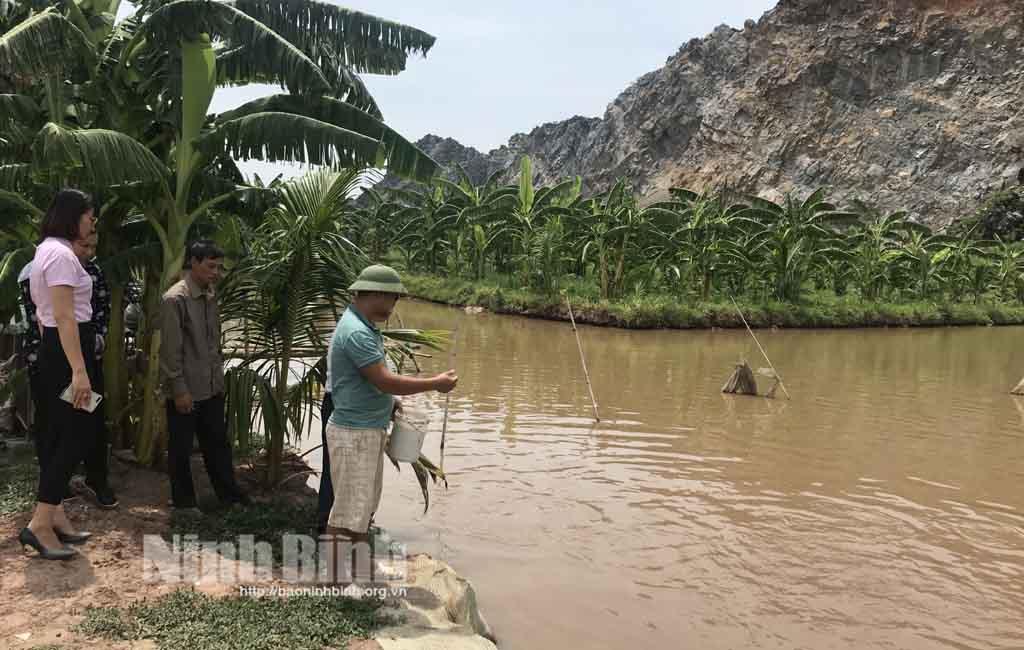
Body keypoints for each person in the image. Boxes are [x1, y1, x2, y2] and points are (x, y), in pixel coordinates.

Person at [322, 264, 457, 579]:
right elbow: (384, 380)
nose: (393, 307)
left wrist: (391, 404)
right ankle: (332, 580)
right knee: (345, 511)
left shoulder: (364, 326)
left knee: (362, 506)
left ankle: (357, 568)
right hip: (353, 433)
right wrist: (434, 383)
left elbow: (371, 384)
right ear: (377, 294)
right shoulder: (356, 332)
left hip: (367, 429)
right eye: (392, 300)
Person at [17, 189, 100, 560]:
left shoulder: (46, 251)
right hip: (69, 350)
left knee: (57, 434)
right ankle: (39, 524)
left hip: (58, 347)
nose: (92, 223)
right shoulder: (63, 255)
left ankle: (56, 518)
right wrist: (79, 370)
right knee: (79, 432)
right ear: (73, 216)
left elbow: (44, 312)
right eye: (89, 217)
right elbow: (65, 316)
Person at [18, 234, 118, 509]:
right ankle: (52, 495)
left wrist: (92, 347)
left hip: (82, 361)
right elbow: (44, 318)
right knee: (55, 426)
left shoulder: (91, 270)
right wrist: (67, 364)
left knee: (88, 422)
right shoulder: (38, 268)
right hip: (53, 362)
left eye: (92, 246)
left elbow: (100, 311)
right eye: (83, 244)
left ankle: (94, 480)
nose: (88, 251)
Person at [160, 240, 248, 510]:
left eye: (219, 267)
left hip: (211, 386)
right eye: (211, 266)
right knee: (181, 449)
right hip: (186, 388)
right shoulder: (175, 299)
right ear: (193, 262)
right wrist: (179, 389)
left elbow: (212, 343)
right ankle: (184, 503)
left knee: (218, 445)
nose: (216, 272)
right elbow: (171, 350)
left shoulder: (210, 294)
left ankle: (229, 496)